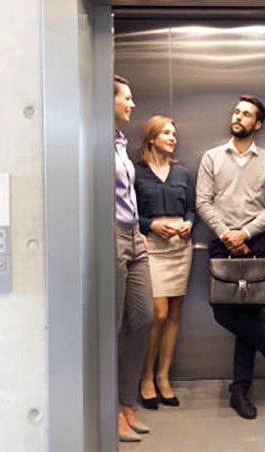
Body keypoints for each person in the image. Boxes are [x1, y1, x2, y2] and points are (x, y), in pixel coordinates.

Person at [196, 95, 265, 420]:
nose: (238, 117)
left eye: (247, 114)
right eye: (237, 112)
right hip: (221, 243)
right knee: (224, 313)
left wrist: (245, 234)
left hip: (258, 245)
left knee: (249, 320)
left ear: (258, 124)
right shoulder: (212, 157)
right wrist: (228, 233)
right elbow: (203, 202)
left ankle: (240, 390)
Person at [135, 115, 195, 409]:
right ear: (151, 138)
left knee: (174, 313)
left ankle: (163, 377)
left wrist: (188, 224)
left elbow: (192, 209)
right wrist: (150, 225)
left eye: (174, 133)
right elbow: (128, 212)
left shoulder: (182, 172)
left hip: (180, 248)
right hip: (152, 249)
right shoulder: (136, 173)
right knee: (157, 314)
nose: (173, 137)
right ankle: (145, 377)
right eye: (166, 133)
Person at [112, 75, 152, 442]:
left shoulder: (120, 144)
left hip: (134, 236)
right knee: (110, 327)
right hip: (109, 236)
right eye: (127, 97)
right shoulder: (96, 143)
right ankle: (110, 411)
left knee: (142, 318)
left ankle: (127, 403)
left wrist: (139, 231)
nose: (132, 103)